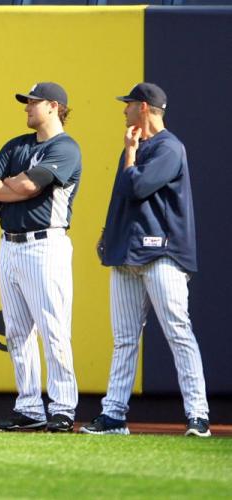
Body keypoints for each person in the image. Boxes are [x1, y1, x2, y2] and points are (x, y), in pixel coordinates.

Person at [80, 83, 211, 437]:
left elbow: (137, 186)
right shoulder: (138, 147)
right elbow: (123, 196)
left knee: (178, 332)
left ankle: (198, 415)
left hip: (161, 254)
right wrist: (110, 233)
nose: (123, 111)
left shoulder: (169, 147)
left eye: (128, 105)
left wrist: (130, 153)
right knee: (124, 339)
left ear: (143, 107)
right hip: (127, 253)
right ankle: (113, 416)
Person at [0, 82, 81, 433]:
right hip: (9, 244)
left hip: (45, 244)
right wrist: (14, 185)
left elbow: (26, 186)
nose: (27, 107)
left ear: (54, 106)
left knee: (53, 328)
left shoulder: (66, 148)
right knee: (17, 331)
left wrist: (11, 186)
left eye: (33, 102)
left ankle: (63, 407)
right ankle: (30, 407)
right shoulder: (17, 145)